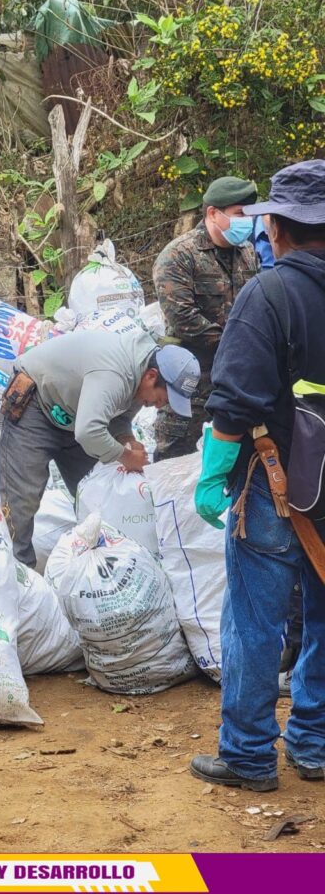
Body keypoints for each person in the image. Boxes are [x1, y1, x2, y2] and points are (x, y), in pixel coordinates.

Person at [191, 159, 325, 793]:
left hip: (276, 488)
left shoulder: (267, 295)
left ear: (275, 226)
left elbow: (233, 403)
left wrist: (213, 476)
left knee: (253, 623)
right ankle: (315, 742)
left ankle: (247, 756)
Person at [0, 330, 200, 568]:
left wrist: (127, 439)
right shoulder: (116, 374)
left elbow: (118, 419)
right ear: (151, 376)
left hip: (75, 417)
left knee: (93, 495)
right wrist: (126, 457)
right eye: (162, 398)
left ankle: (100, 571)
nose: (159, 405)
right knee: (23, 501)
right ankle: (18, 578)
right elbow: (88, 432)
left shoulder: (141, 377)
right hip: (35, 405)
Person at [152, 176, 258, 461]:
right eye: (239, 215)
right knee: (176, 465)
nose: (246, 222)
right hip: (191, 387)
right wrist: (241, 345)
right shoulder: (178, 255)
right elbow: (183, 318)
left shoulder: (247, 253)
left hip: (236, 384)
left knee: (231, 467)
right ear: (213, 213)